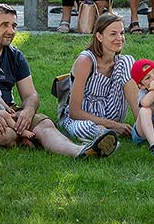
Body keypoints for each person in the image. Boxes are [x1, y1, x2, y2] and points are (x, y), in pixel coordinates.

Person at [0, 3, 119, 157]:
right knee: (6, 135)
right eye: (4, 25)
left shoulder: (15, 55)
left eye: (14, 25)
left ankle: (80, 151)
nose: (11, 31)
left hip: (7, 111)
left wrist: (28, 111)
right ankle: (21, 138)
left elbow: (30, 94)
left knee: (45, 124)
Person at [59, 12, 140, 141]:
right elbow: (74, 112)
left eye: (122, 33)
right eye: (113, 34)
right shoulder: (86, 61)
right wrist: (113, 125)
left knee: (127, 60)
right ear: (99, 37)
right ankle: (105, 135)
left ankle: (141, 127)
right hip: (83, 118)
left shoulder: (119, 62)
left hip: (110, 111)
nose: (120, 38)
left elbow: (143, 85)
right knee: (83, 127)